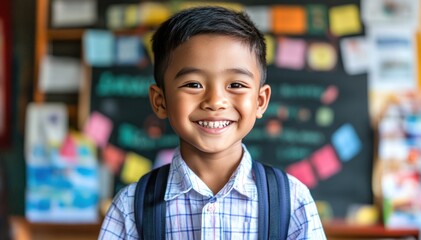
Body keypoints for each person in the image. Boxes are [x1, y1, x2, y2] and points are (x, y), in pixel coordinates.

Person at [99, 6, 326, 239]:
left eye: (236, 85)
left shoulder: (292, 201)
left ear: (260, 101)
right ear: (161, 101)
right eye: (194, 84)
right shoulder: (129, 208)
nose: (215, 101)